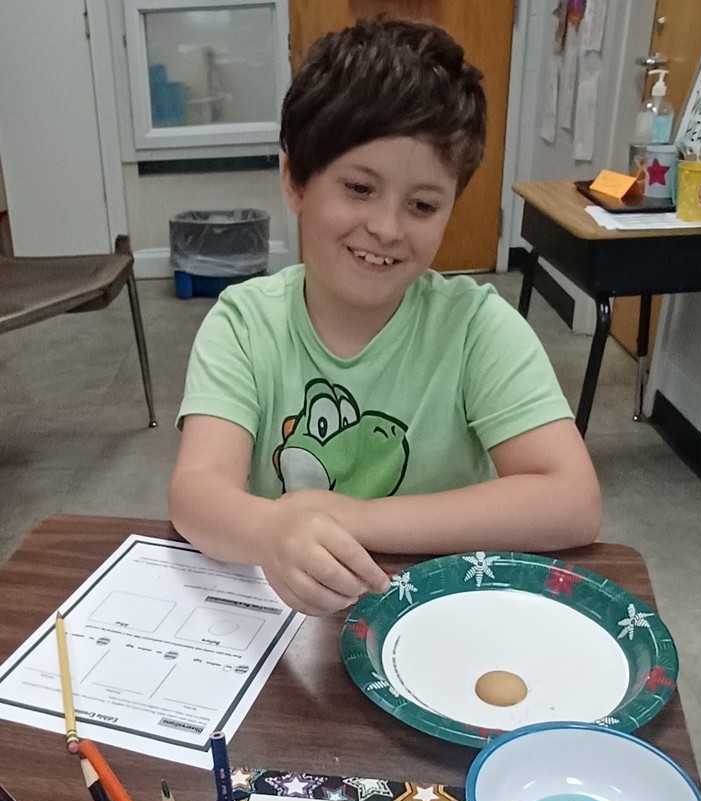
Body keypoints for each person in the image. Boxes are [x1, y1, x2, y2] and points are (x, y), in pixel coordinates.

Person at [169, 18, 601, 617]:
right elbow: (196, 492)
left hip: (438, 617)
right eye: (359, 188)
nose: (387, 229)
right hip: (286, 627)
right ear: (295, 178)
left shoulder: (477, 328)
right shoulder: (244, 324)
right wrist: (269, 532)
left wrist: (349, 516)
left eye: (422, 205)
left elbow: (573, 501)